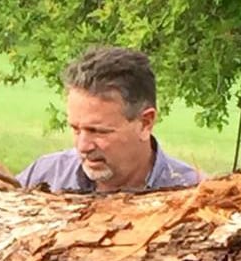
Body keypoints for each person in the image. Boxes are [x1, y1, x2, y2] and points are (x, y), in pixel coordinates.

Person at [16, 47, 202, 193]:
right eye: (76, 129)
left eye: (97, 131)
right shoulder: (46, 174)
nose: (82, 146)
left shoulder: (197, 195)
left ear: (145, 123)